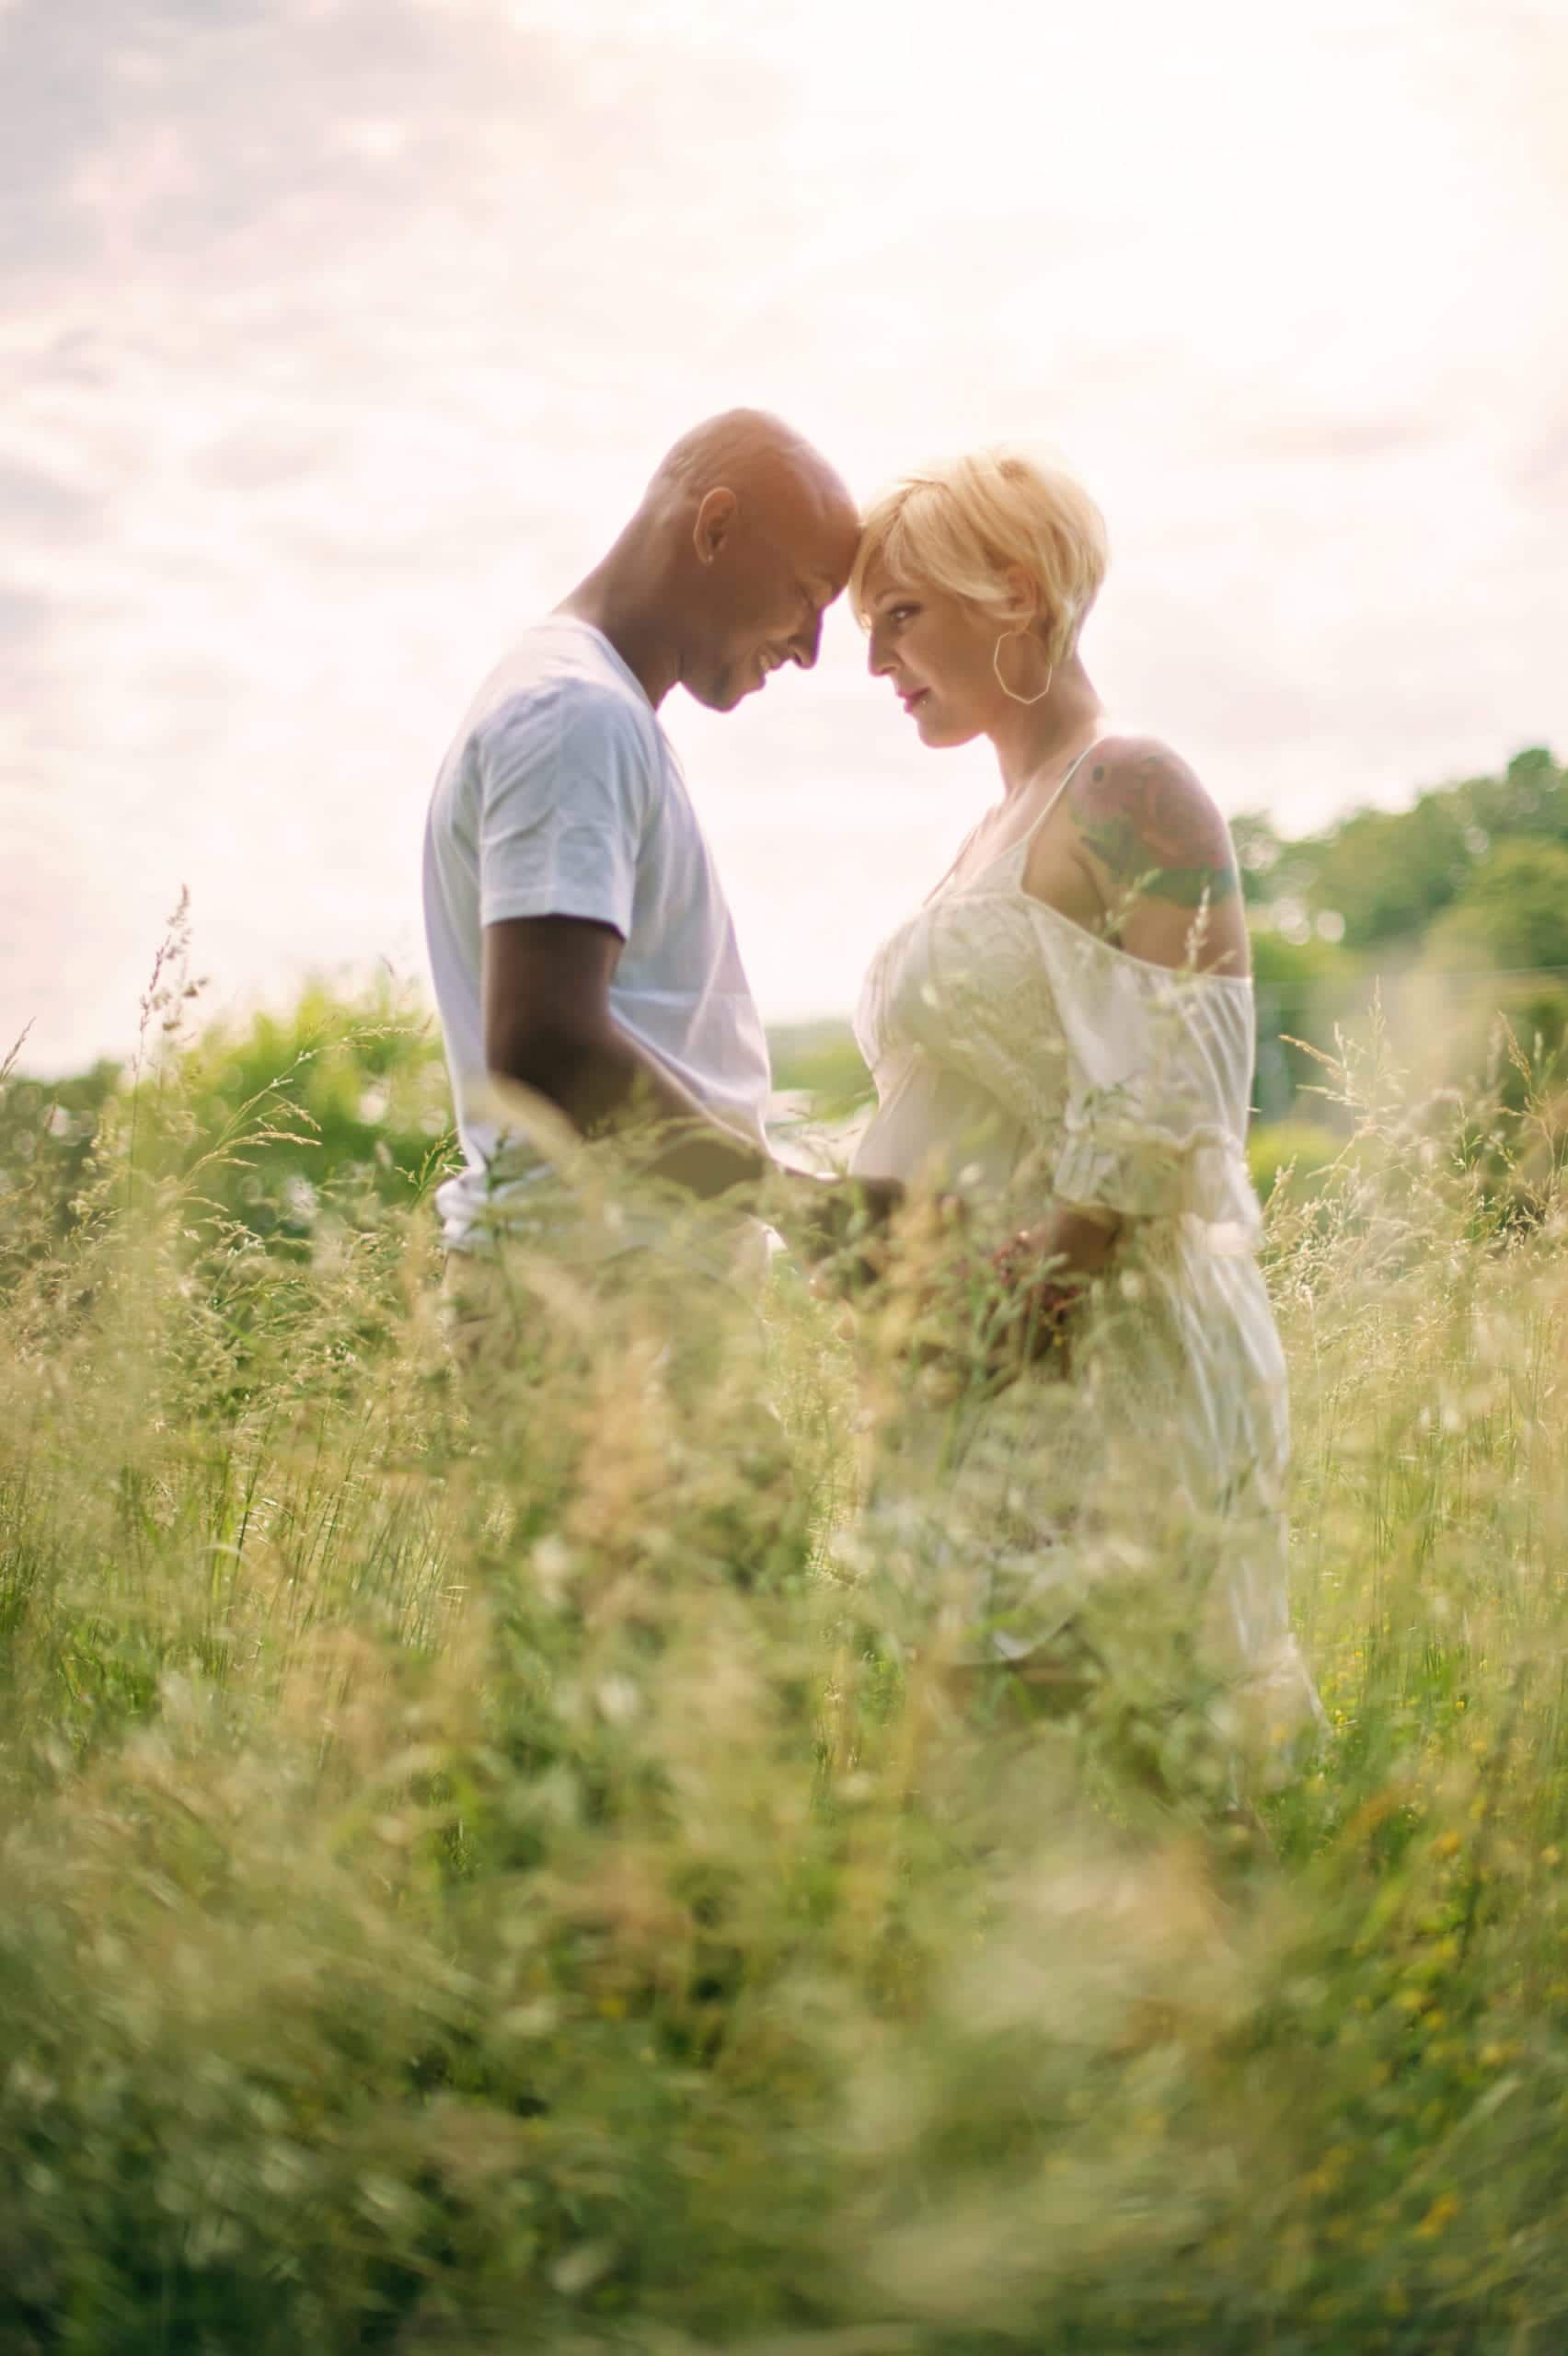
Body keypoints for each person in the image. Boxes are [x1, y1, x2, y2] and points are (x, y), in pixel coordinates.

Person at [844, 446, 1319, 1765]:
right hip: (984, 1361)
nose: (875, 661)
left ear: (1010, 590)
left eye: (899, 615)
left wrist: (1019, 1296)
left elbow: (1179, 1096)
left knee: (1145, 1764)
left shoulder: (1130, 785)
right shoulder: (987, 831)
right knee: (995, 1806)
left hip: (1106, 1358)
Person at [422, 409, 900, 1357]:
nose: (810, 648)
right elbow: (547, 1045)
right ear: (714, 527)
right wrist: (797, 1208)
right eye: (806, 595)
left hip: (607, 1299)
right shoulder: (574, 715)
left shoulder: (594, 710)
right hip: (591, 1309)